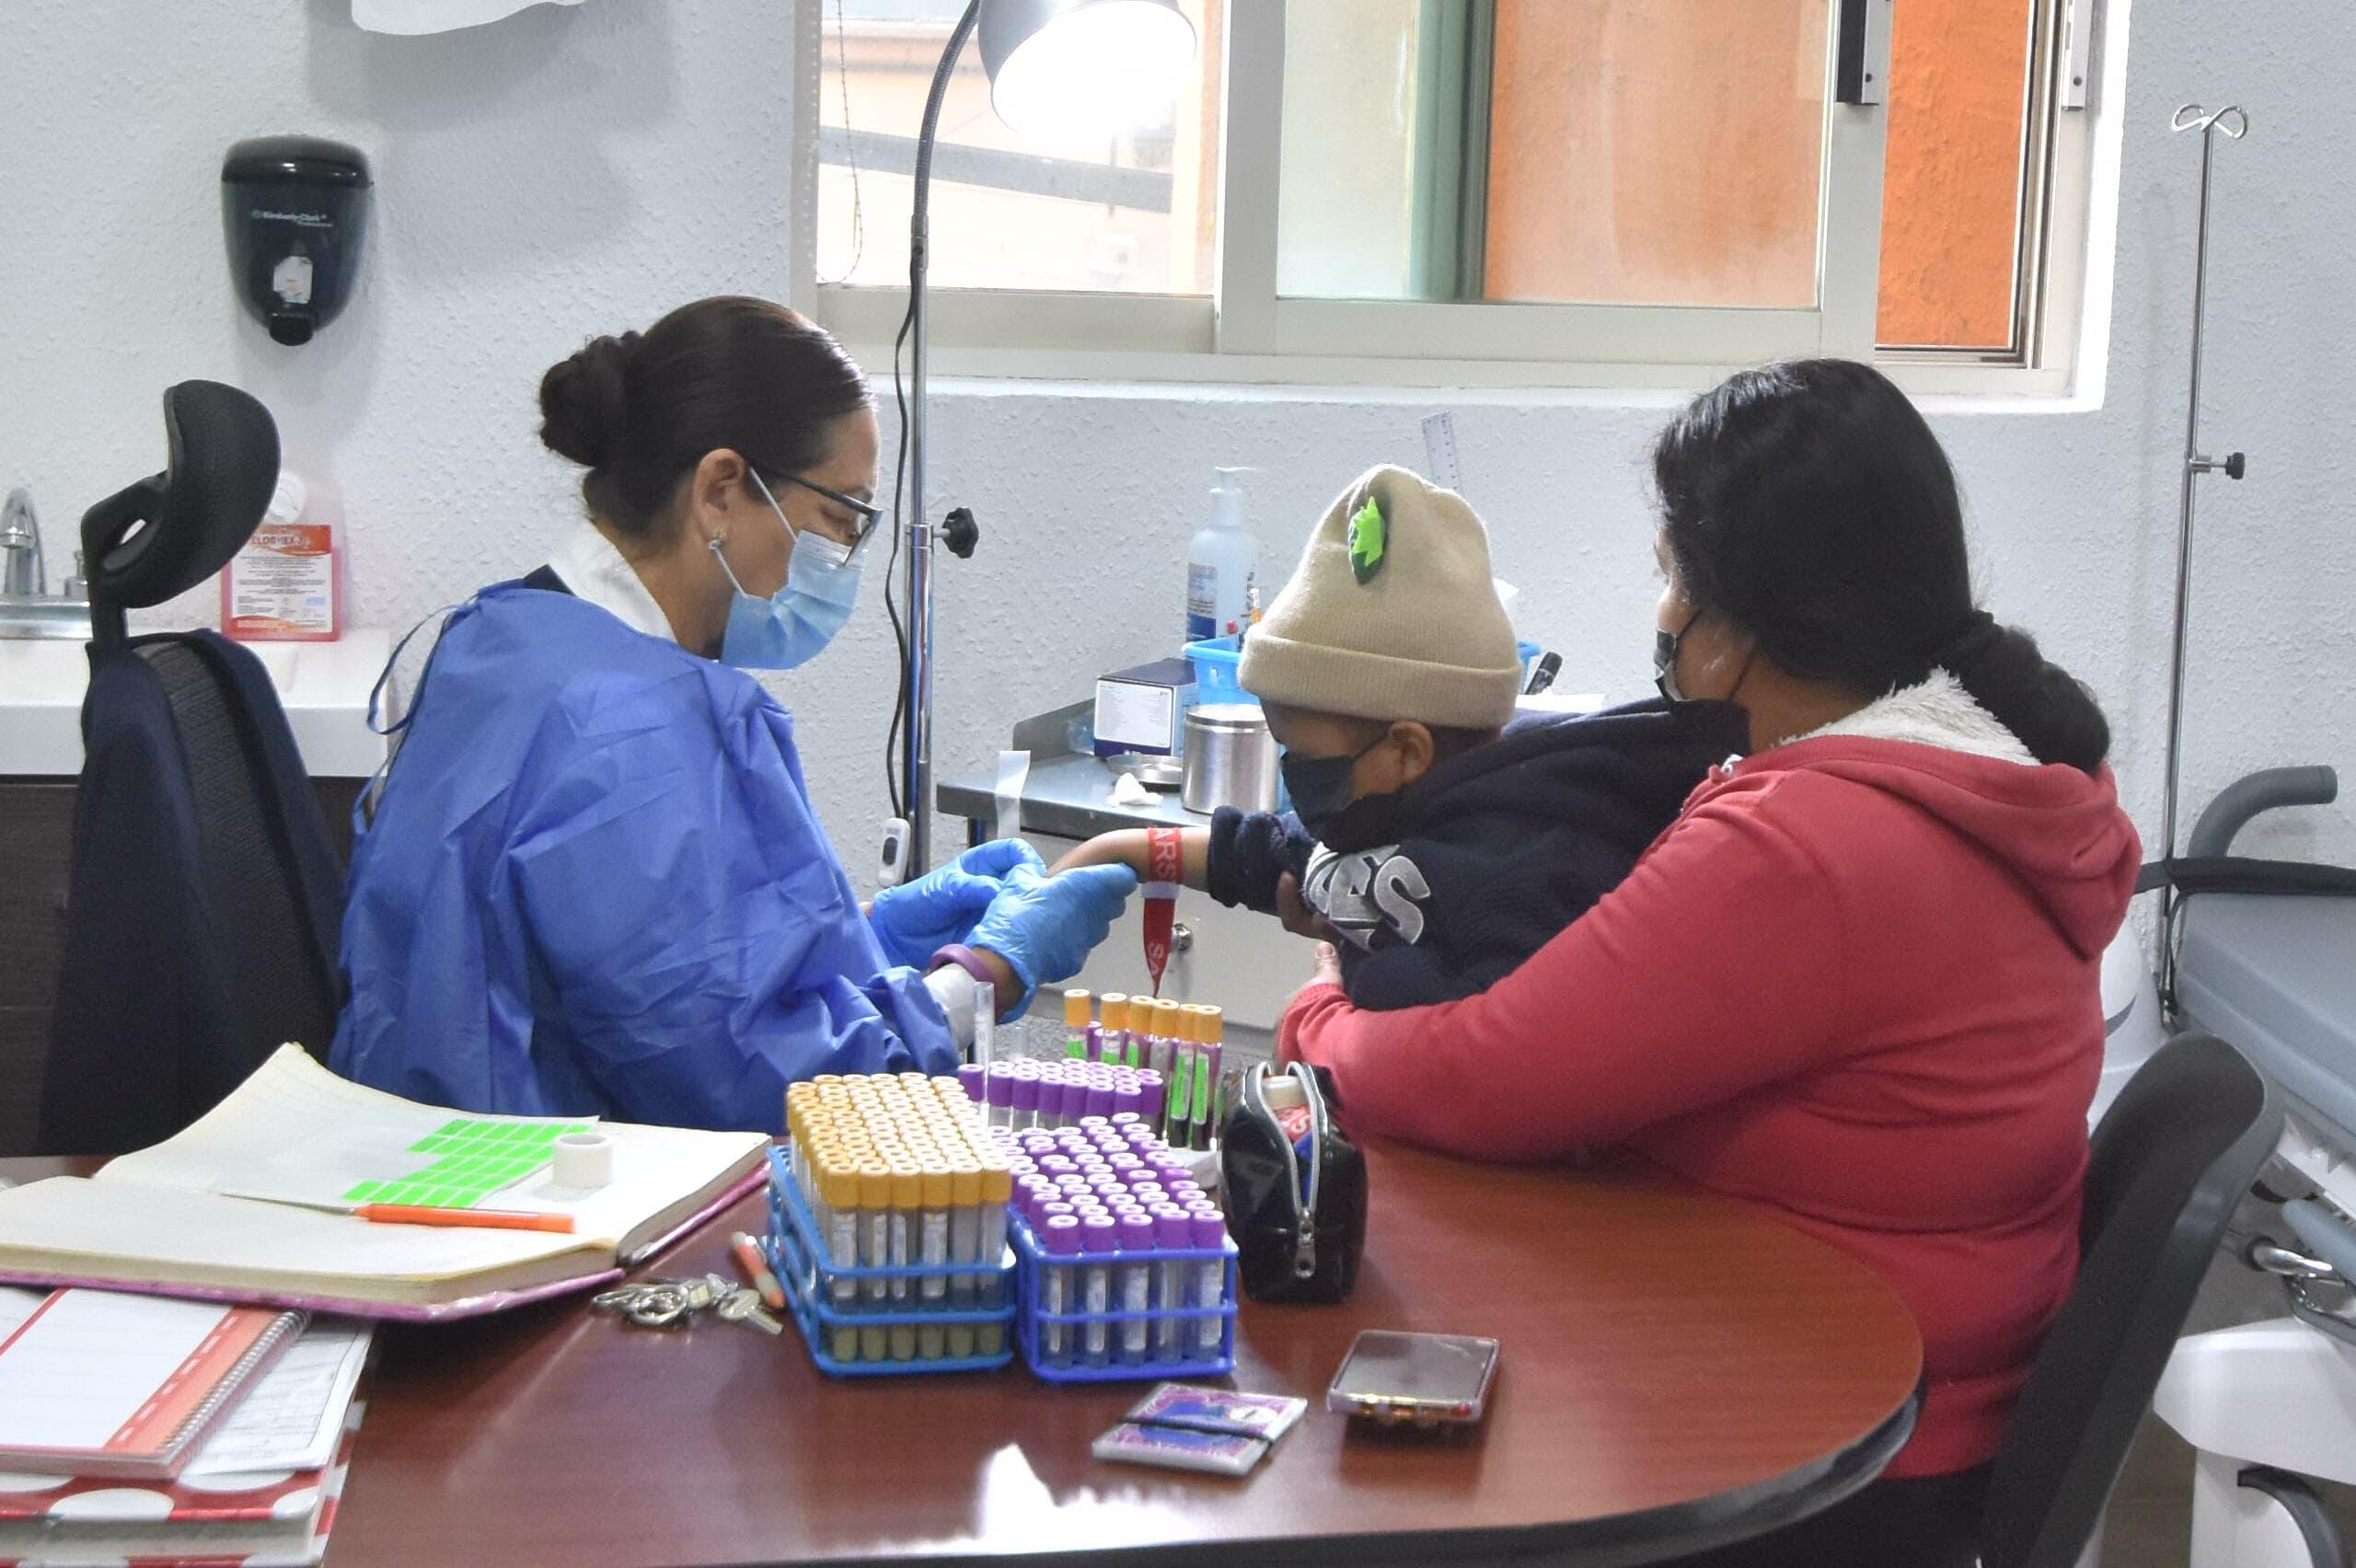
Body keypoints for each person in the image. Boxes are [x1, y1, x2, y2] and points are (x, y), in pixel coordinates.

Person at [1279, 360, 2139, 1562]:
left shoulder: (1814, 843)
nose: (1666, 610)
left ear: (1736, 631)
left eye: (1674, 576)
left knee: (1365, 1461)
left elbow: (1489, 1073)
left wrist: (1316, 1019)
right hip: (1910, 1381)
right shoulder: (1976, 772)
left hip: (1830, 1462)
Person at [331, 297, 1135, 1130]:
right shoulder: (633, 728)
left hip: (423, 1152)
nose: (847, 559)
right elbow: (789, 1096)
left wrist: (863, 938)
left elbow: (629, 959)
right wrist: (987, 972)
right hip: (535, 1207)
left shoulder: (500, 638)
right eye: (841, 517)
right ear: (720, 489)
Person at [1054, 465, 1744, 1009]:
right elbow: (1272, 853)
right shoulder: (1382, 813)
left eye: (1304, 756)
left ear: (1408, 749)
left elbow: (1493, 1055)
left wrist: (1345, 983)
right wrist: (1118, 852)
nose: (1294, 775)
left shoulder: (1525, 871)